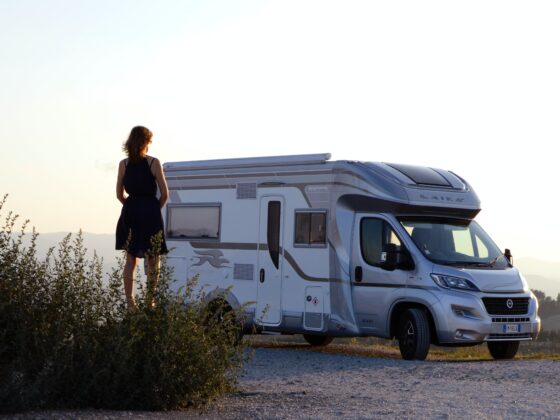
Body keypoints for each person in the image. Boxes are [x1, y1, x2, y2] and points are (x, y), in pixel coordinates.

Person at [115, 126, 169, 311]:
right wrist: (153, 208)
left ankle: (130, 303)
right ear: (145, 142)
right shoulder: (154, 162)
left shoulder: (123, 164)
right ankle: (150, 301)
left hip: (130, 211)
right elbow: (165, 193)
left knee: (130, 259)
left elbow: (119, 194)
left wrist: (131, 206)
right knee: (153, 258)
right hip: (150, 211)